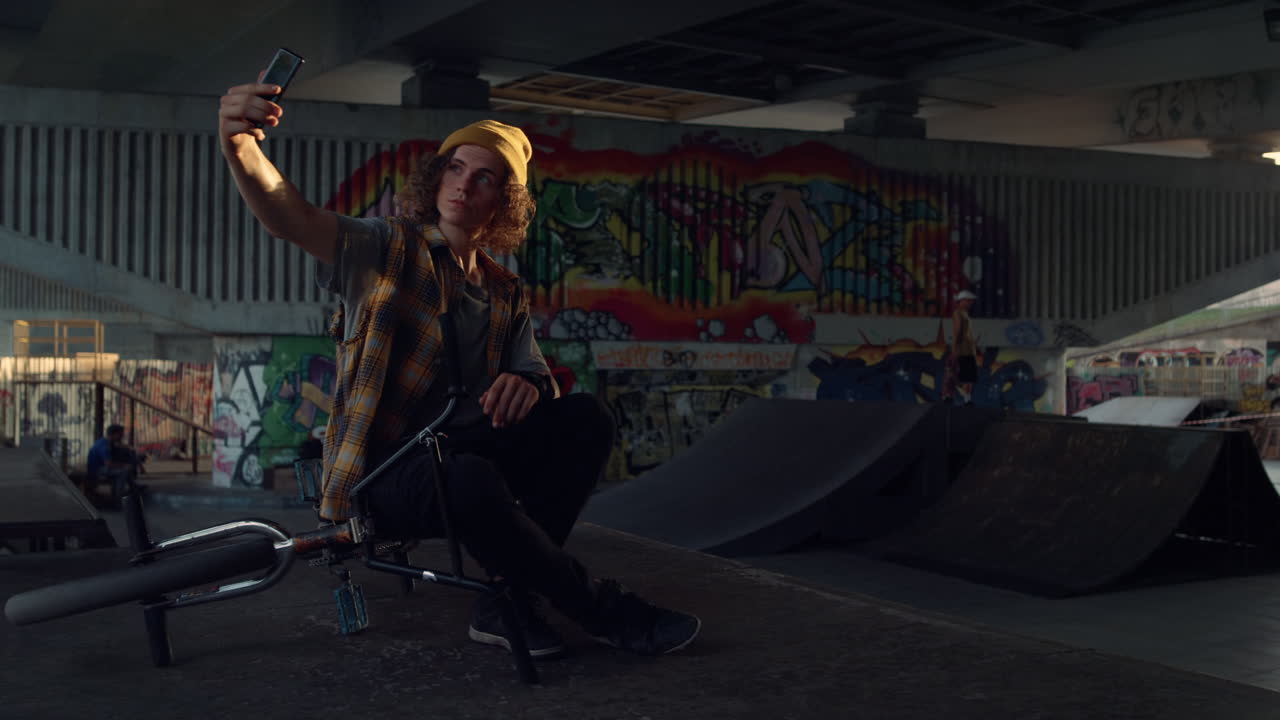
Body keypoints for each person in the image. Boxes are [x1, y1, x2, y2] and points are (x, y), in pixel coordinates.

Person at [217, 77, 699, 659]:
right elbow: (289, 217)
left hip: (467, 452)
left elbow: (537, 374)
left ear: (503, 201)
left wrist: (527, 383)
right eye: (455, 168)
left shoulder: (504, 290)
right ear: (437, 176)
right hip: (387, 469)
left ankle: (504, 602)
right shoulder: (383, 249)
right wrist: (241, 146)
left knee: (584, 419)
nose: (464, 185)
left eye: (484, 178)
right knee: (470, 477)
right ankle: (598, 608)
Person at [85, 424, 147, 504]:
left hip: (100, 468)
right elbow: (109, 464)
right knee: (124, 471)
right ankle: (118, 498)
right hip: (97, 470)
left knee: (125, 468)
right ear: (115, 434)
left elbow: (124, 449)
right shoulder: (104, 446)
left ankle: (133, 487)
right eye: (121, 434)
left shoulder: (105, 442)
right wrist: (124, 466)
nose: (122, 436)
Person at [951, 290, 980, 405]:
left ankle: (967, 398)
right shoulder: (958, 313)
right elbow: (957, 332)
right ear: (961, 301)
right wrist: (955, 348)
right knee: (964, 375)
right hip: (963, 350)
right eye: (968, 301)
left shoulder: (964, 313)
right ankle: (964, 398)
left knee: (969, 377)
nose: (970, 303)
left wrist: (973, 342)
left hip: (968, 350)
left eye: (971, 301)